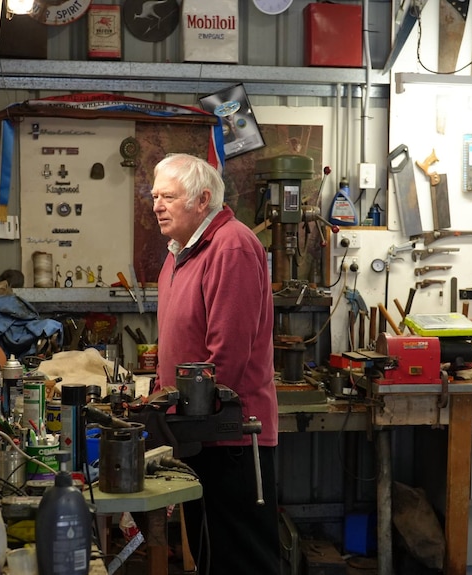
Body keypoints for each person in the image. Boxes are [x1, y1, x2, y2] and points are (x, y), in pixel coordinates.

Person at [150, 153, 280, 574]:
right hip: (195, 432)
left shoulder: (232, 246)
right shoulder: (178, 254)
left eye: (168, 196)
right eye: (154, 196)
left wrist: (184, 417)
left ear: (202, 199)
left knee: (240, 560)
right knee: (209, 555)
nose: (156, 205)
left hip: (230, 436)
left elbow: (226, 357)